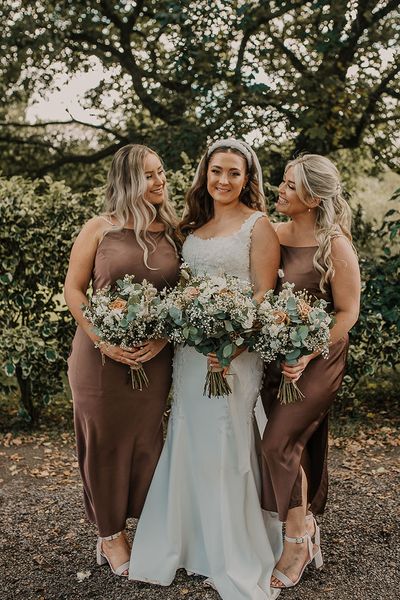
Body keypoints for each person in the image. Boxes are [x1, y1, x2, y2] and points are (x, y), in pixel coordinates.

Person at [129, 139, 282, 600]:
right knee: (190, 432)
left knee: (226, 435)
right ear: (205, 173)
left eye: (234, 173)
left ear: (248, 178)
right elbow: (182, 288)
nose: (223, 180)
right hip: (192, 353)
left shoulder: (260, 226)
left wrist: (233, 344)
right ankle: (188, 541)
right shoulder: (191, 226)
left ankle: (230, 548)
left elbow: (260, 294)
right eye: (217, 171)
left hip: (235, 353)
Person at [64, 144, 180, 577]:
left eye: (161, 172)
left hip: (154, 360)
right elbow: (74, 291)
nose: (160, 181)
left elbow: (182, 297)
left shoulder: (171, 232)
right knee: (104, 444)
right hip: (99, 360)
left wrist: (163, 338)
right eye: (150, 175)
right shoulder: (99, 228)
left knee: (150, 443)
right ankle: (110, 536)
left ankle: (148, 528)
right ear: (129, 179)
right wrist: (102, 340)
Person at [259, 154, 360, 589]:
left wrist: (307, 351)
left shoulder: (334, 243)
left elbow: (348, 312)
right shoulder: (273, 234)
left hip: (321, 356)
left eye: (290, 186)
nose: (280, 190)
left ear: (314, 198)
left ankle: (298, 540)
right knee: (294, 443)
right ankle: (306, 521)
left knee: (277, 442)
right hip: (276, 357)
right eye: (282, 182)